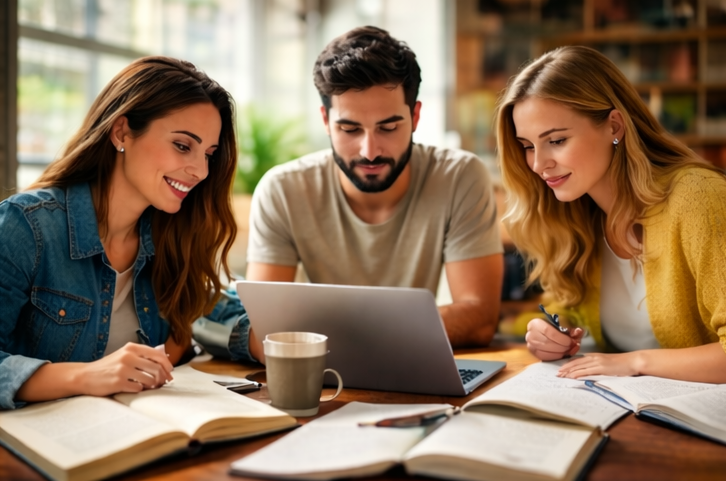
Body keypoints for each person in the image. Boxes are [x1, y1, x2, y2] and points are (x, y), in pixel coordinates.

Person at [0, 56, 260, 410]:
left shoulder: (169, 234)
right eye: (183, 145)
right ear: (121, 132)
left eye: (209, 154)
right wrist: (88, 375)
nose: (200, 170)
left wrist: (274, 337)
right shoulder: (26, 226)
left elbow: (215, 306)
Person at [245, 26, 504, 347]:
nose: (369, 150)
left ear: (416, 116)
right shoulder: (282, 190)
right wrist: (391, 332)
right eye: (350, 128)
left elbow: (479, 321)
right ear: (325, 120)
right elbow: (267, 328)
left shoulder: (459, 176)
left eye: (389, 127)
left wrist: (345, 333)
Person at [495, 45, 726, 383]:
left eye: (556, 140)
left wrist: (634, 363)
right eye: (528, 146)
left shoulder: (698, 198)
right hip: (626, 411)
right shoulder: (577, 213)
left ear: (614, 126)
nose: (538, 164)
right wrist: (545, 331)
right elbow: (568, 309)